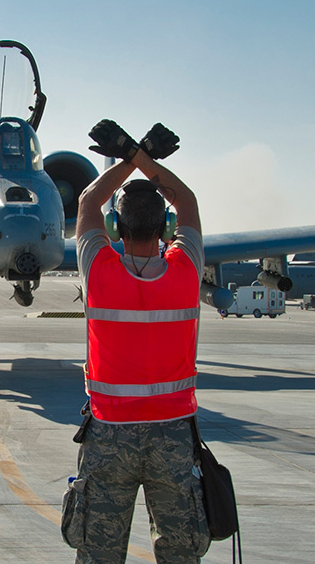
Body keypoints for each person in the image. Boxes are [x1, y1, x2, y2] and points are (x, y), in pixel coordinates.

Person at [65, 119, 210, 564]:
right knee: (181, 552)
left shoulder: (100, 272)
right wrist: (144, 157)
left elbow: (88, 199)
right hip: (172, 438)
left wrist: (128, 157)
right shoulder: (186, 271)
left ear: (117, 227)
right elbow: (186, 201)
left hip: (110, 437)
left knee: (99, 553)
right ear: (166, 228)